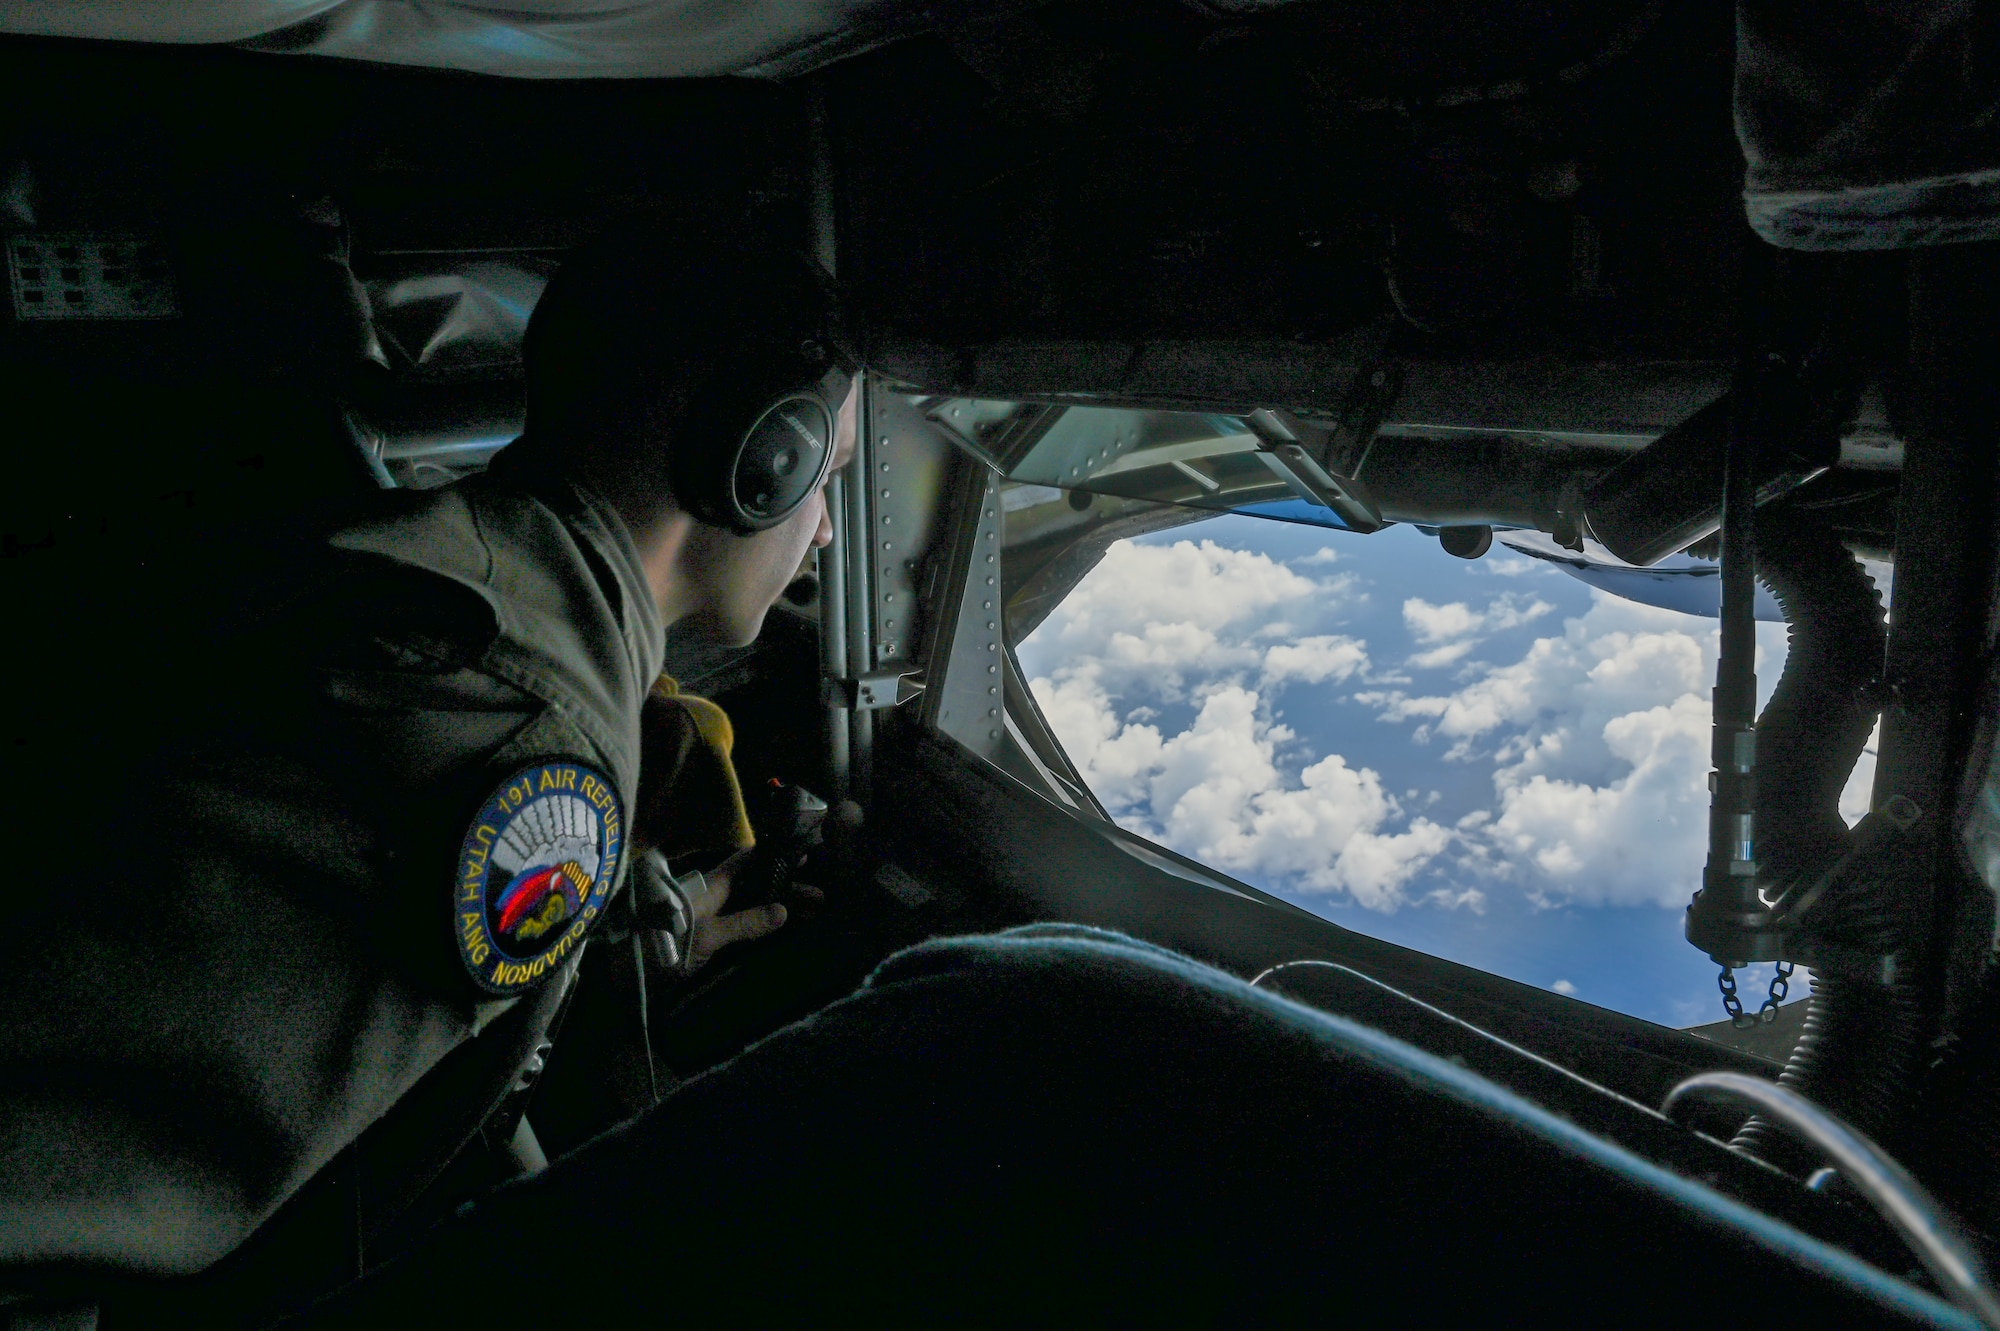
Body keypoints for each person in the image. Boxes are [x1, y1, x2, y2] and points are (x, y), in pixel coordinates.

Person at [0, 233, 855, 1310]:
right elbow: (54, 1185)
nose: (825, 532)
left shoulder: (470, 575)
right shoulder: (513, 721)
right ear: (755, 458)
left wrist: (620, 946)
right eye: (827, 480)